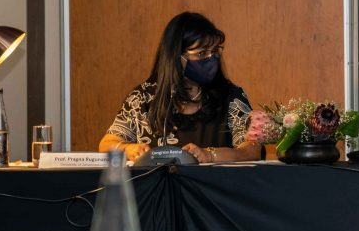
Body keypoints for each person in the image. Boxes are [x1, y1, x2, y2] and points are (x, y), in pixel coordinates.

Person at [99, 12, 261, 163]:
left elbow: (252, 150)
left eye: (215, 51)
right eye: (202, 53)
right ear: (176, 56)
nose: (211, 59)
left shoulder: (230, 96)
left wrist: (210, 155)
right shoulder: (143, 98)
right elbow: (106, 144)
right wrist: (127, 149)